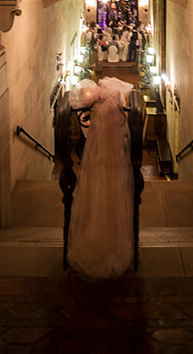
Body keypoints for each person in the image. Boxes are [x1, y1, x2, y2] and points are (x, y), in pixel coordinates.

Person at [67, 77, 135, 280]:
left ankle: (94, 240)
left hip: (96, 163)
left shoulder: (93, 142)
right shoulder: (117, 130)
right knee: (113, 202)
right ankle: (114, 243)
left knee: (94, 200)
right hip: (114, 165)